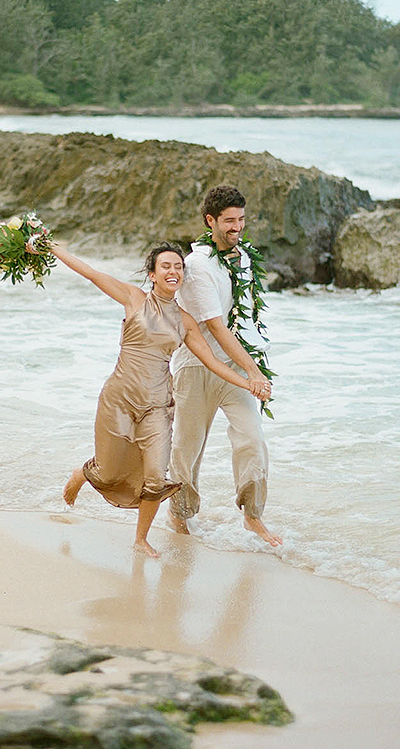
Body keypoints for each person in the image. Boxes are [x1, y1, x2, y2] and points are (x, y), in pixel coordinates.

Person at [43, 240, 271, 558]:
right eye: (165, 266)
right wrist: (52, 248)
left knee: (155, 476)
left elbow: (213, 363)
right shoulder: (133, 299)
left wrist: (249, 383)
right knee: (108, 473)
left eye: (178, 267)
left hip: (158, 404)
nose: (173, 271)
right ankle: (84, 473)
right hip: (119, 398)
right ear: (152, 273)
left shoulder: (185, 320)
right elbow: (91, 274)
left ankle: (140, 539)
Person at [168, 185, 283, 547]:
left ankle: (253, 516)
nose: (237, 227)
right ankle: (179, 516)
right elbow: (215, 325)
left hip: (234, 362)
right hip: (196, 367)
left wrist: (253, 359)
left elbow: (243, 318)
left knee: (252, 438)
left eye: (241, 220)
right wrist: (253, 372)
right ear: (210, 221)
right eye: (229, 221)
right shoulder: (197, 265)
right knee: (187, 448)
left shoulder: (243, 257)